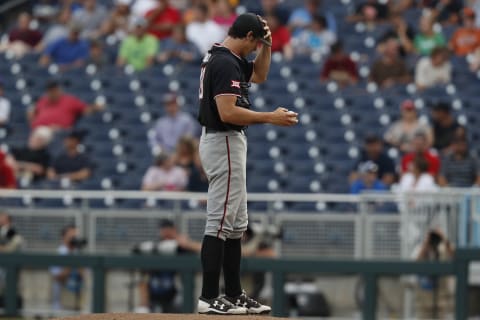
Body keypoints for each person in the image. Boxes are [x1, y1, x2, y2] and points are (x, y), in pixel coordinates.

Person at [197, 13, 298, 315]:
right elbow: (227, 112)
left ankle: (234, 293)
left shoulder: (226, 56)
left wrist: (268, 46)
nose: (257, 48)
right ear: (249, 36)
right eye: (257, 42)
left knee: (235, 224)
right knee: (220, 221)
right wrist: (271, 117)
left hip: (226, 141)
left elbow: (261, 75)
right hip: (222, 139)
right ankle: (208, 298)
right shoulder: (225, 61)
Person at [136, 219, 201, 313]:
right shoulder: (155, 248)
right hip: (154, 297)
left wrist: (186, 243)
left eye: (169, 230)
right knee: (142, 311)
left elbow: (202, 249)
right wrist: (144, 302)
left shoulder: (180, 248)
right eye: (163, 230)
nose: (166, 233)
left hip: (174, 296)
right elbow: (143, 279)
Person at [28, 80, 104, 130]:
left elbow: (86, 110)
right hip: (40, 131)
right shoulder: (43, 101)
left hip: (60, 132)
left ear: (59, 90)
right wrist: (33, 123)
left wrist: (96, 107)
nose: (52, 93)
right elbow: (32, 113)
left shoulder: (69, 100)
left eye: (54, 90)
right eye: (50, 91)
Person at [413, 229, 454, 319]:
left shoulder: (443, 252)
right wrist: (426, 244)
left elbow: (456, 257)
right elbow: (415, 264)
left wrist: (444, 239)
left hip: (441, 304)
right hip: (423, 304)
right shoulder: (420, 250)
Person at [49, 225, 86, 311]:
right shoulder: (59, 253)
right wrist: (71, 262)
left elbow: (83, 276)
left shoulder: (78, 254)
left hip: (76, 301)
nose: (74, 239)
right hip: (61, 304)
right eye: (71, 236)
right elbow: (57, 277)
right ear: (63, 237)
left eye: (75, 237)